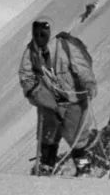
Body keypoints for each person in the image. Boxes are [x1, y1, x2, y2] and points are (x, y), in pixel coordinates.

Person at [18, 19, 98, 176]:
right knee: (49, 132)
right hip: (49, 99)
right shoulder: (31, 52)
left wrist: (89, 83)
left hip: (73, 97)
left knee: (76, 133)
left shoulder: (65, 47)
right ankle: (46, 165)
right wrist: (36, 92)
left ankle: (83, 166)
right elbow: (25, 74)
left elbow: (82, 68)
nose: (39, 37)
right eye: (37, 33)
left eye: (43, 33)